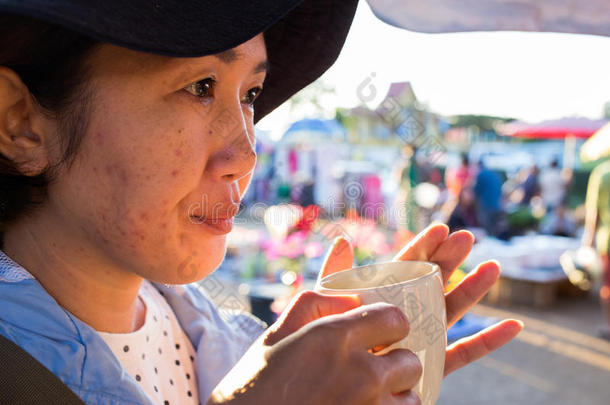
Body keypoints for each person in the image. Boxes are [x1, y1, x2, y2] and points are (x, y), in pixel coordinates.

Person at [0, 2, 522, 404]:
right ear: (19, 121)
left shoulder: (205, 332)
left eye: (250, 95)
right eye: (199, 87)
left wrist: (289, 370)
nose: (246, 154)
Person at [582, 160, 610, 340]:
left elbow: (593, 213)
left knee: (607, 286)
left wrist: (588, 243)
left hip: (607, 240)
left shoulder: (602, 172)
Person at [473, 159, 503, 236]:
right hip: (496, 205)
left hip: (486, 205)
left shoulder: (481, 174)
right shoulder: (495, 174)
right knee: (494, 228)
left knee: (486, 228)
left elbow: (476, 191)